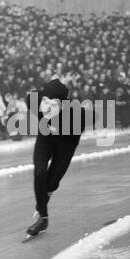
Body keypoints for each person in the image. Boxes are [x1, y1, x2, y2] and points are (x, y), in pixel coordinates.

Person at [23, 77, 88, 237]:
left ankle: (46, 196)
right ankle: (43, 218)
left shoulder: (76, 113)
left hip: (66, 142)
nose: (47, 107)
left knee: (51, 182)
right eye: (45, 101)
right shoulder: (35, 100)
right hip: (46, 137)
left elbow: (75, 136)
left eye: (53, 105)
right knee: (39, 172)